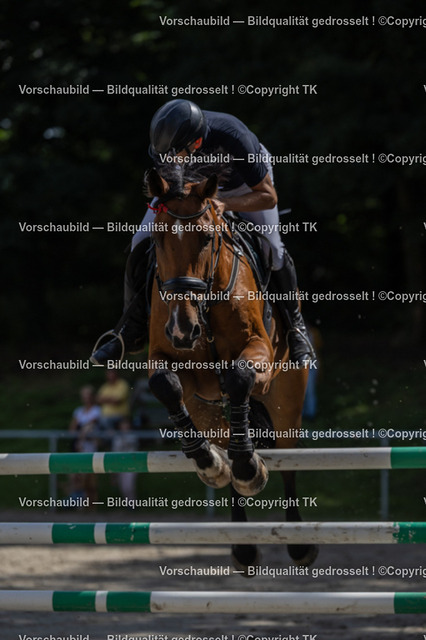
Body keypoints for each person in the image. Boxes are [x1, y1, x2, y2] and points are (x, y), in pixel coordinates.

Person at [91, 99, 314, 366]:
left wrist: (225, 203)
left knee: (273, 249)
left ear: (196, 143)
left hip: (244, 187)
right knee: (140, 238)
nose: (170, 160)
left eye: (176, 154)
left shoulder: (234, 138)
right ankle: (131, 329)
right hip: (190, 190)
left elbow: (268, 197)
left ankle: (295, 328)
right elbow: (168, 191)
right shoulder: (166, 145)